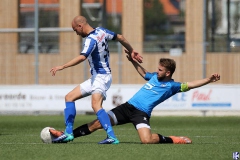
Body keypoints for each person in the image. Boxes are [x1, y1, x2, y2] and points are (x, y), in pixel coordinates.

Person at [50, 51, 220, 144]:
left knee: (146, 140)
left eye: (160, 70)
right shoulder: (154, 76)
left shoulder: (173, 86)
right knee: (97, 124)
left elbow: (191, 84)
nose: (157, 71)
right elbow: (144, 73)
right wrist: (132, 61)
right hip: (127, 107)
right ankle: (66, 135)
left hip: (141, 113)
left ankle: (174, 139)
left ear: (168, 73)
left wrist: (208, 80)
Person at [49, 16, 143, 144]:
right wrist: (132, 50)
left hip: (101, 76)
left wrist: (62, 66)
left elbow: (82, 57)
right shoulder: (101, 31)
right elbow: (120, 37)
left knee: (95, 105)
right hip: (96, 77)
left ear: (80, 26)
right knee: (69, 97)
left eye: (75, 29)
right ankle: (69, 133)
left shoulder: (90, 39)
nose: (76, 33)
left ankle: (112, 137)